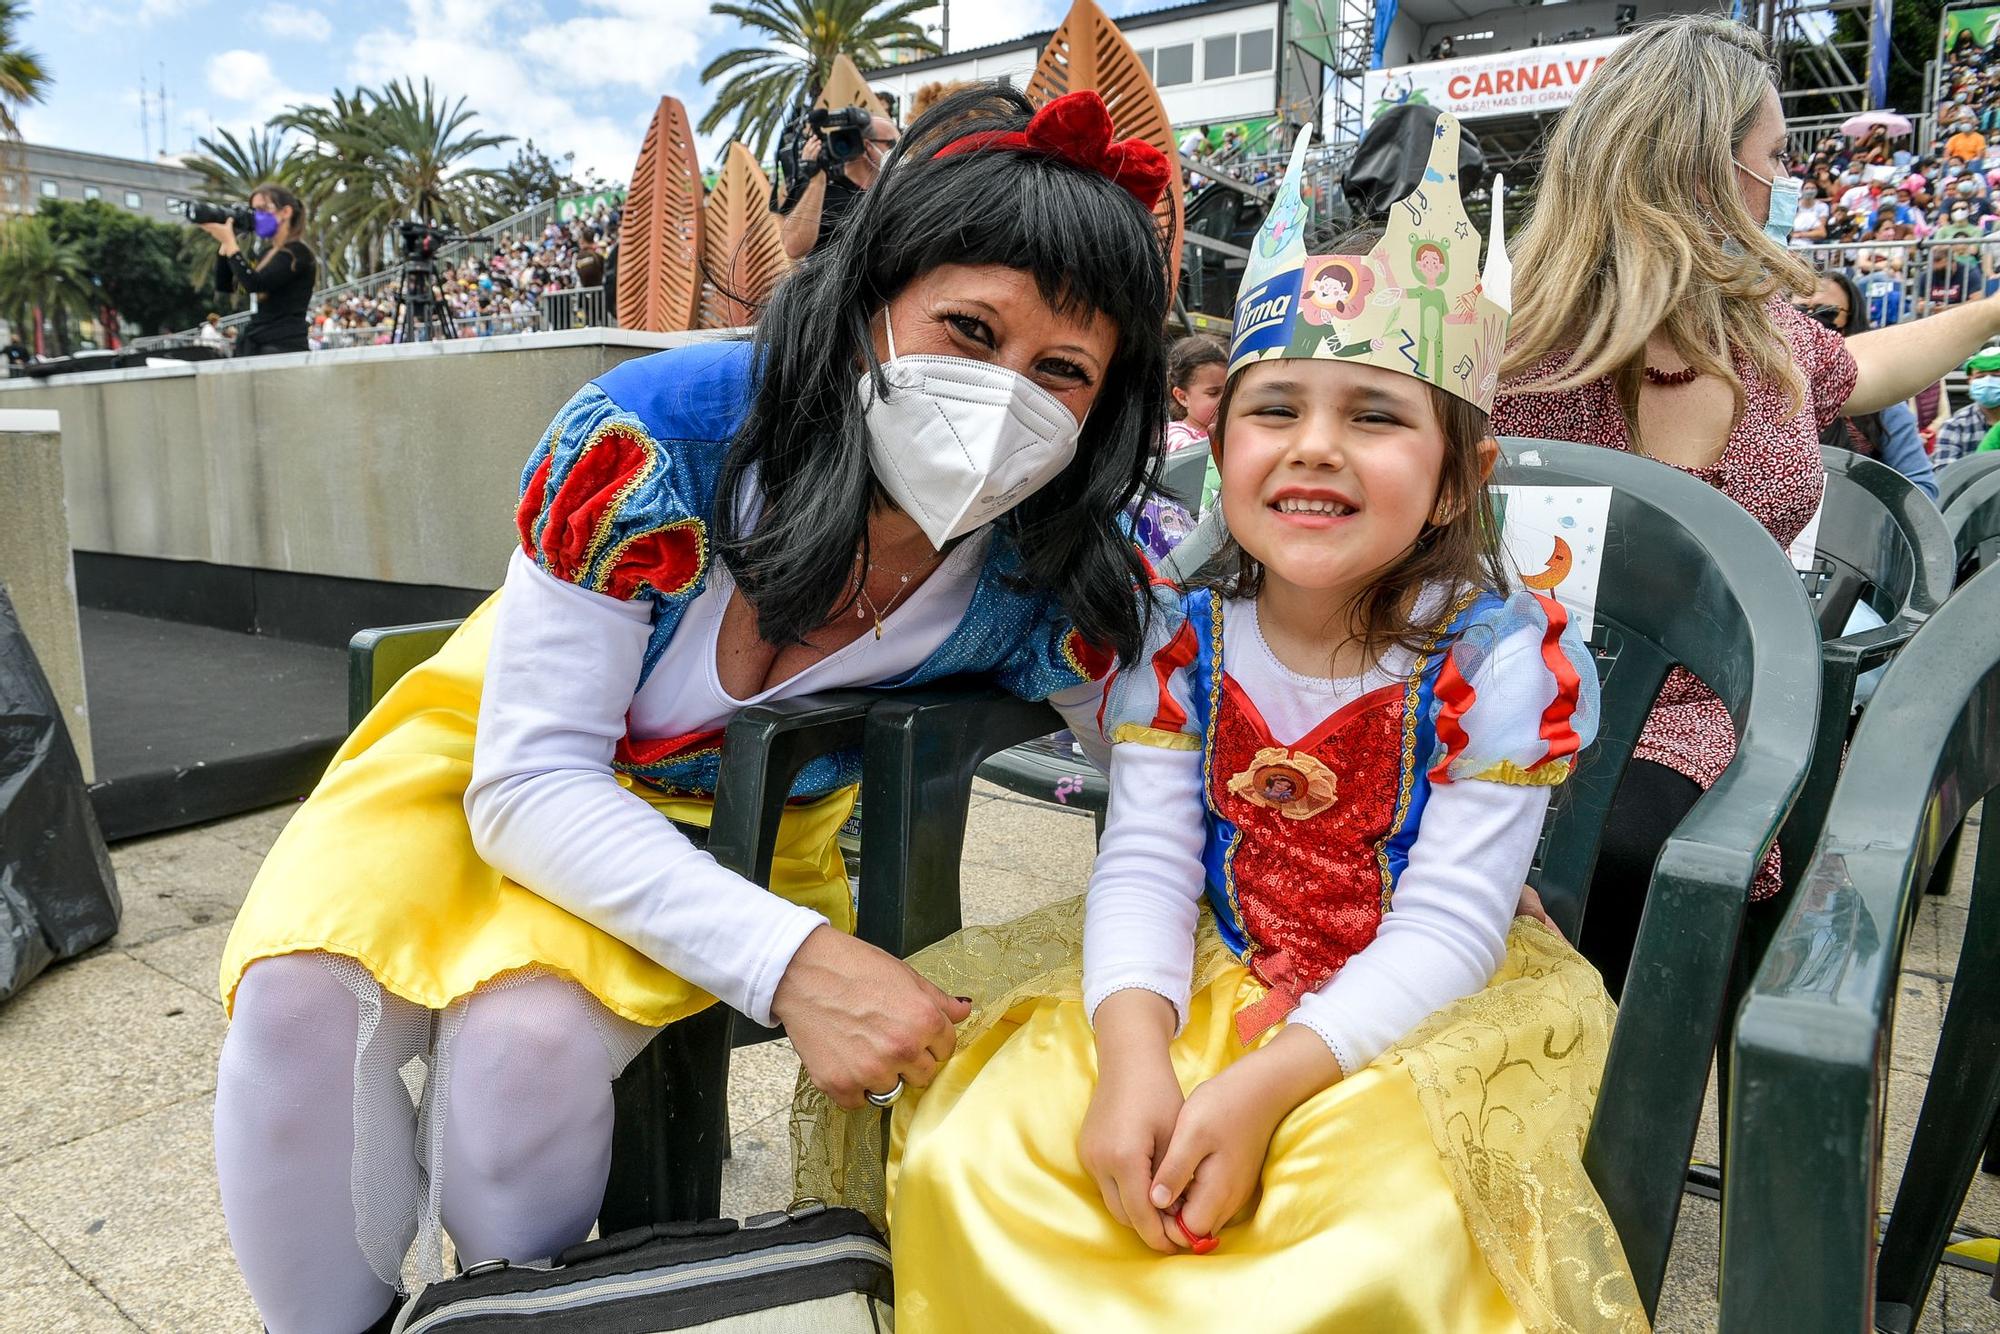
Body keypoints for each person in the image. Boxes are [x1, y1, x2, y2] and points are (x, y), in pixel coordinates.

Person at [211, 87, 1175, 1334]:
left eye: (1060, 369)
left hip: (735, 829)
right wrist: (798, 966)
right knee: (300, 1004)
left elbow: (1179, 763)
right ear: (872, 296)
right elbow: (528, 778)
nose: (1003, 396)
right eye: (968, 330)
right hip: (483, 764)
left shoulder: (1062, 565)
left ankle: (518, 1319)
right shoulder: (657, 436)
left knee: (522, 1057)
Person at [795, 116, 1644, 1331]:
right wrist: (1134, 1057)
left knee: (1365, 1218)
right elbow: (1141, 858)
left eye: (1374, 415)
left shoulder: (1501, 658)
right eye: (1274, 407)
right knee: (984, 1140)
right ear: (1216, 439)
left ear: (1461, 474)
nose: (1312, 448)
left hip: (1410, 1011)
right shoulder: (1174, 632)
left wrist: (1260, 1090)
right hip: (1201, 961)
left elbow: (1452, 924)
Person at [1496, 15, 2000, 996]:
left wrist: (1989, 308)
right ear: (1699, 168)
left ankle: (1605, 1103)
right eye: (1773, 158)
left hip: (1709, 719)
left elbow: (1873, 367)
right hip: (1513, 703)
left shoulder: (1773, 345)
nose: (1786, 188)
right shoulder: (1508, 348)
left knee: (1639, 853)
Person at [1800, 272, 1937, 498]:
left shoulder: (1883, 405)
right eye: (1801, 309)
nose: (1811, 320)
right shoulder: (1765, 394)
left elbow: (1919, 489)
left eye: (1826, 311)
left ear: (1850, 321)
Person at [199, 183, 316, 357]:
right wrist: (225, 245)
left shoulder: (298, 253)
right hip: (259, 343)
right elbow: (229, 285)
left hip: (283, 346)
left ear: (286, 212)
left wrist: (231, 245)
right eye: (253, 210)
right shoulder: (267, 252)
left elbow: (256, 283)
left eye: (263, 209)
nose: (256, 216)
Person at [777, 108, 899, 260]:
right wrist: (816, 181)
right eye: (893, 144)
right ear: (867, 145)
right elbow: (793, 247)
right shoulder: (824, 194)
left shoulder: (892, 192)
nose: (898, 151)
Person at [1935, 345, 2000, 466]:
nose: (1988, 382)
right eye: (1980, 376)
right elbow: (1945, 474)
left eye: (1997, 376)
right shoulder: (1956, 426)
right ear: (1970, 380)